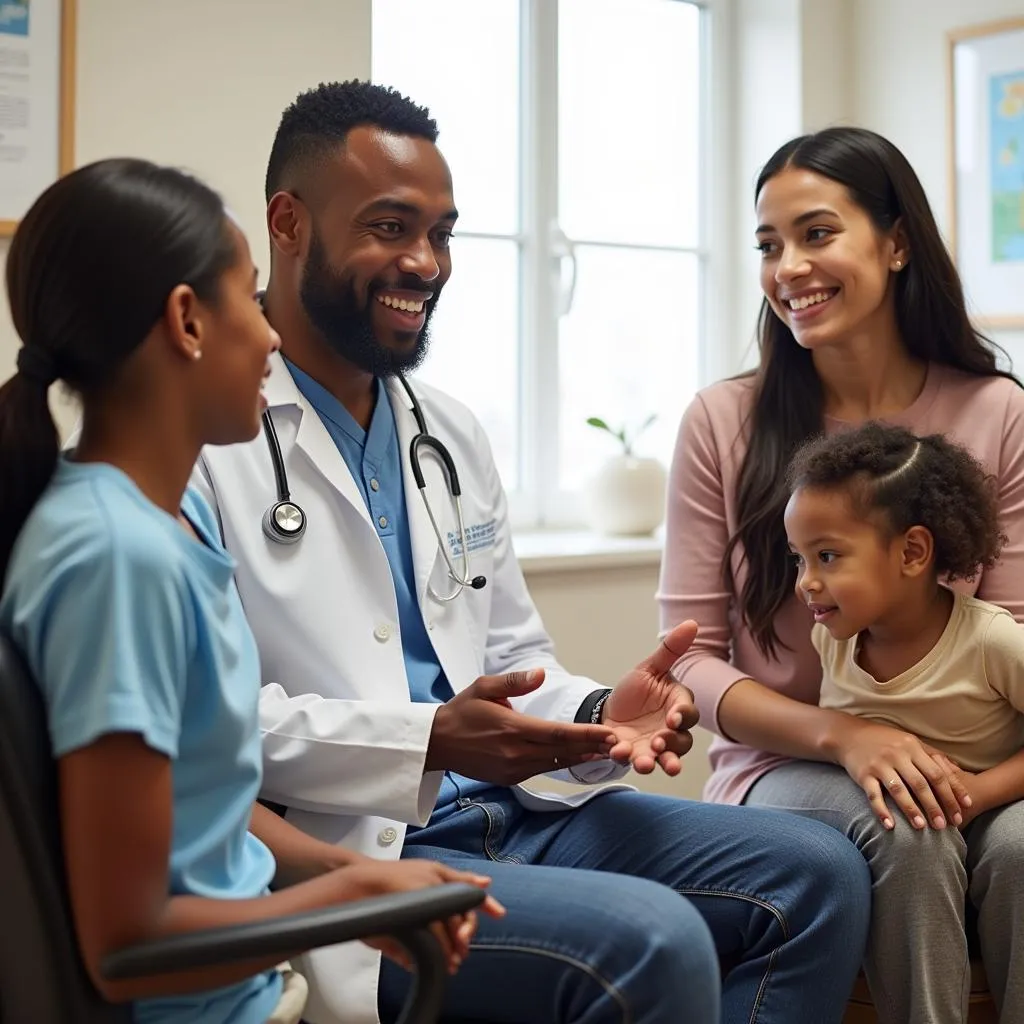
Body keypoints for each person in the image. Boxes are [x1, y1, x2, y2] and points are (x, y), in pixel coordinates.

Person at [191, 79, 872, 1024]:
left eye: (442, 233)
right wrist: (430, 737)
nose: (425, 262)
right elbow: (210, 731)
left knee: (817, 872)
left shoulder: (449, 432)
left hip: (517, 810)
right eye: (391, 227)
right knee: (650, 937)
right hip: (362, 845)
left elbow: (512, 659)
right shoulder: (204, 437)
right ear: (288, 220)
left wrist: (600, 713)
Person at [0, 158, 503, 1024]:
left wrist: (349, 873)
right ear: (188, 322)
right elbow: (128, 947)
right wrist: (360, 906)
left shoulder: (153, 527)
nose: (271, 337)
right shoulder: (119, 561)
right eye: (245, 296)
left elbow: (206, 806)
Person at [659, 125, 1024, 1023]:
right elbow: (691, 659)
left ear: (897, 243)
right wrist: (843, 738)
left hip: (978, 767)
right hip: (788, 761)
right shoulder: (723, 421)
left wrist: (975, 785)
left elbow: (1013, 636)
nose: (788, 267)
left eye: (817, 234)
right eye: (768, 245)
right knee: (909, 827)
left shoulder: (997, 412)